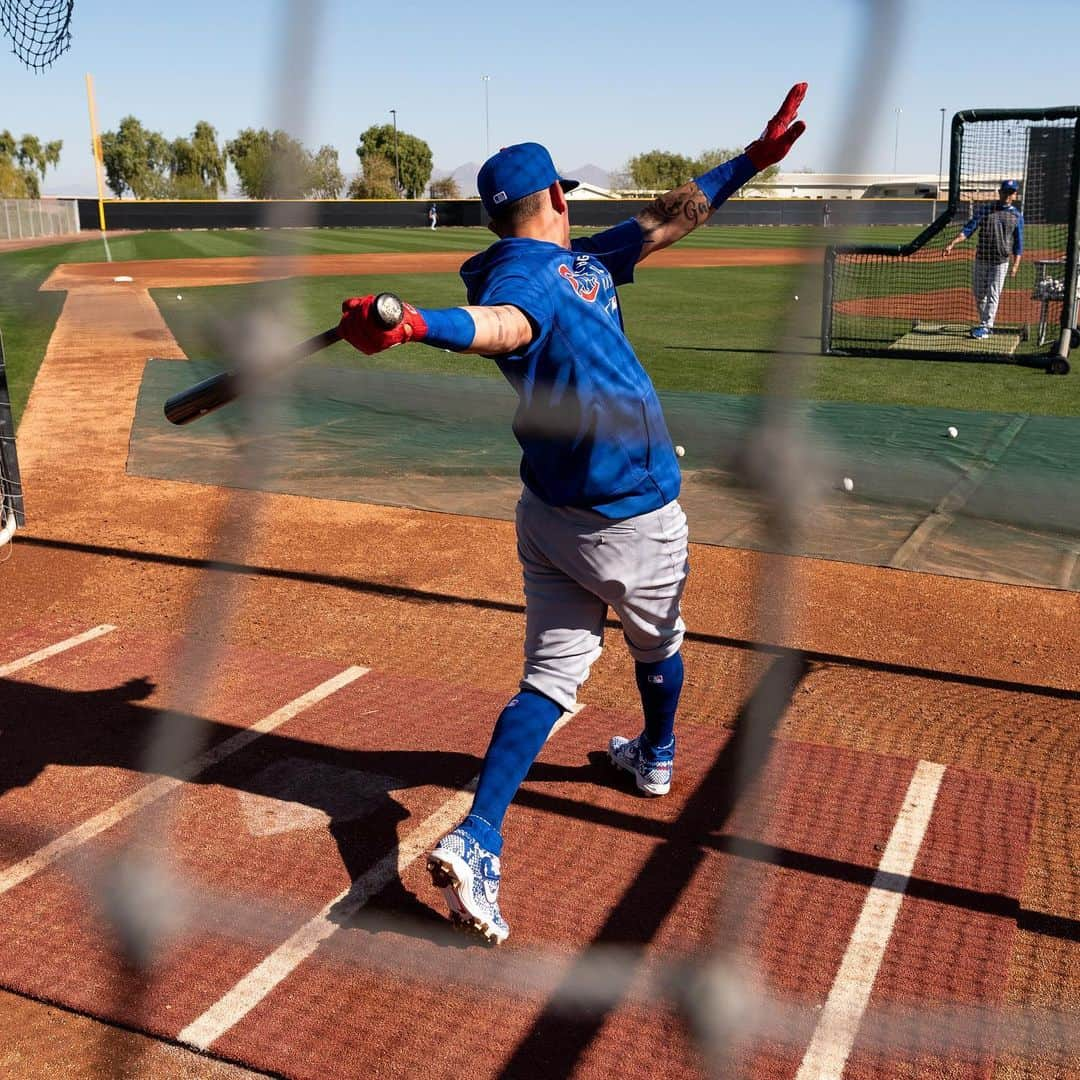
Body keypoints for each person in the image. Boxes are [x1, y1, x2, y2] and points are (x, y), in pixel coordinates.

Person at [337, 84, 808, 944]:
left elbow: (669, 220)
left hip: (552, 514)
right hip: (633, 514)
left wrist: (749, 160)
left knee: (550, 681)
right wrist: (416, 329)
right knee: (659, 645)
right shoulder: (532, 280)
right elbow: (504, 325)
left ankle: (480, 837)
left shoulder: (581, 261)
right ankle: (657, 755)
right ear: (554, 196)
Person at [944, 179, 1024, 339]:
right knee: (979, 293)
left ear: (1014, 195)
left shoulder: (1016, 216)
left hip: (1001, 261)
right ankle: (985, 324)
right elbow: (969, 229)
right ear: (999, 192)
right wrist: (953, 243)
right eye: (1005, 192)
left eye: (1011, 193)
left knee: (993, 294)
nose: (1007, 196)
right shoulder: (986, 210)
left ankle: (986, 327)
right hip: (981, 258)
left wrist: (1016, 265)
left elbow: (1019, 243)